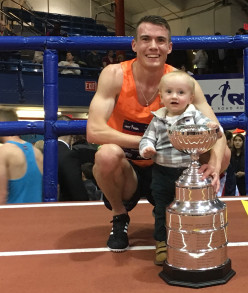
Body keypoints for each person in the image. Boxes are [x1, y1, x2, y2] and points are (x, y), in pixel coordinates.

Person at [86, 15, 229, 253]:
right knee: (106, 155)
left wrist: (215, 164)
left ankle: (188, 212)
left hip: (167, 167)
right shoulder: (114, 75)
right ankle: (119, 216)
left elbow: (217, 131)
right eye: (146, 39)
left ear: (169, 47)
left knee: (222, 156)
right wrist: (149, 142)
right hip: (128, 169)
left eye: (161, 40)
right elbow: (93, 131)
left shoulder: (183, 82)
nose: (153, 46)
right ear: (134, 45)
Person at [139, 70, 220, 265]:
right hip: (161, 172)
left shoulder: (195, 116)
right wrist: (147, 149)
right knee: (161, 208)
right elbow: (146, 138)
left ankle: (191, 240)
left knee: (189, 209)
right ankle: (161, 242)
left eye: (181, 92)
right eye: (169, 92)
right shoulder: (157, 119)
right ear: (161, 96)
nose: (174, 96)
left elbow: (214, 128)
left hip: (189, 173)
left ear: (191, 97)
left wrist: (213, 128)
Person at [0, 108, 43, 204]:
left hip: (13, 217)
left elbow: (1, 196)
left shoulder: (3, 152)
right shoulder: (37, 152)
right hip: (38, 216)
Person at [57, 115, 89, 201]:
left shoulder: (40, 151)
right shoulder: (68, 155)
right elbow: (77, 190)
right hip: (64, 209)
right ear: (71, 133)